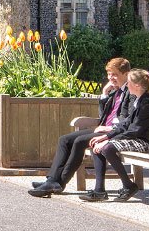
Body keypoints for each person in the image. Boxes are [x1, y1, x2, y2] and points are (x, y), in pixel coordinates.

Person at [29, 57, 132, 197]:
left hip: (113, 132)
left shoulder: (130, 91)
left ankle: (59, 183)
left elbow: (127, 119)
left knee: (79, 141)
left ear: (126, 74)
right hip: (102, 128)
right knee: (64, 139)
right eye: (109, 74)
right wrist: (104, 94)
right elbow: (103, 117)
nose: (111, 78)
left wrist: (108, 129)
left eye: (114, 74)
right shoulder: (114, 91)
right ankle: (52, 179)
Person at [83, 68, 149, 202]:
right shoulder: (139, 99)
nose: (126, 85)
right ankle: (99, 191)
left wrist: (108, 142)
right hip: (138, 139)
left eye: (129, 83)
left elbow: (135, 130)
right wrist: (106, 137)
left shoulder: (147, 103)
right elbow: (125, 124)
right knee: (97, 145)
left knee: (107, 148)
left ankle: (128, 185)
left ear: (137, 85)